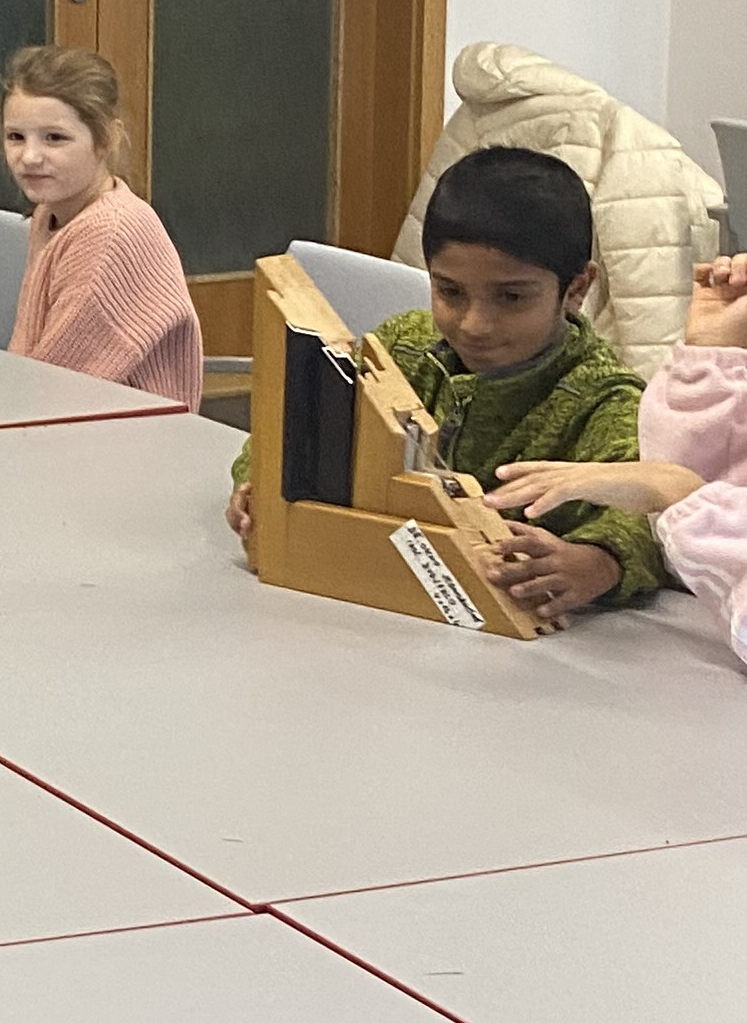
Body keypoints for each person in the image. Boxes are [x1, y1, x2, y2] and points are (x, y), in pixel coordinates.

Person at [226, 143, 664, 623]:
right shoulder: (399, 347)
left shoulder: (610, 401)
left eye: (512, 297)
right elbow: (290, 423)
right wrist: (258, 482)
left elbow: (651, 516)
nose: (475, 324)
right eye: (450, 291)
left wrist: (596, 564)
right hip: (371, 610)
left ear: (576, 289)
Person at [487, 246, 747, 662]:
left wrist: (683, 499)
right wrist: (711, 357)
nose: (476, 324)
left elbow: (677, 506)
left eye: (510, 297)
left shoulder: (604, 392)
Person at [0, 45, 203, 408]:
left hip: (126, 445)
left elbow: (54, 390)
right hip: (76, 427)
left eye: (55, 138)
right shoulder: (50, 214)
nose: (29, 157)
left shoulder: (109, 235)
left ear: (105, 139)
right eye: (16, 137)